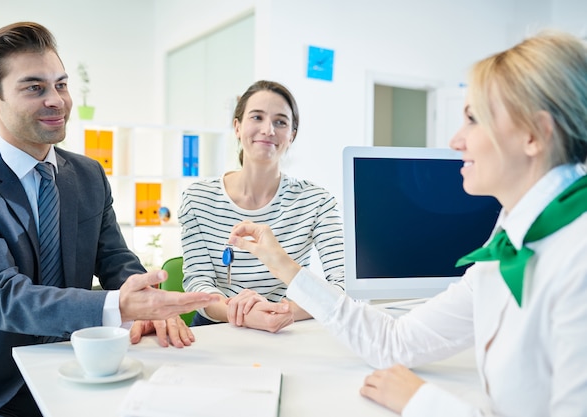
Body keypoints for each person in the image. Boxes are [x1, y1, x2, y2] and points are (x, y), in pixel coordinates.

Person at [228, 31, 587, 416]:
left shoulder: (576, 259)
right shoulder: (509, 242)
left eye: (473, 119)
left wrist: (424, 403)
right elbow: (394, 342)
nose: (455, 141)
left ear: (535, 134)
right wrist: (283, 265)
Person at [0, 22, 216, 417]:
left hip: (85, 364)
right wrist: (118, 306)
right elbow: (0, 296)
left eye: (61, 85)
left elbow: (114, 258)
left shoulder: (88, 174)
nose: (57, 101)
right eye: (35, 87)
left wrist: (148, 301)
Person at [179, 80, 345, 332]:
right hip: (218, 325)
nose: (268, 130)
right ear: (237, 127)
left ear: (292, 135)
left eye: (280, 122)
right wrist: (242, 314)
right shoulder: (197, 198)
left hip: (290, 323)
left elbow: (343, 286)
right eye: (257, 117)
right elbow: (198, 283)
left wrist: (284, 311)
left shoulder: (317, 201)